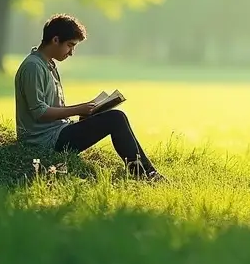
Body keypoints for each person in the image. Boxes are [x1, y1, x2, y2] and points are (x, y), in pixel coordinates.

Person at [14, 13, 165, 182]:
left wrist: (85, 113)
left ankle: (147, 172)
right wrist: (79, 108)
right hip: (43, 142)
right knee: (115, 118)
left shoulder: (48, 65)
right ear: (55, 40)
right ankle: (146, 174)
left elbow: (51, 108)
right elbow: (39, 112)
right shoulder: (33, 67)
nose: (71, 52)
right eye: (70, 45)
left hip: (58, 132)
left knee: (116, 117)